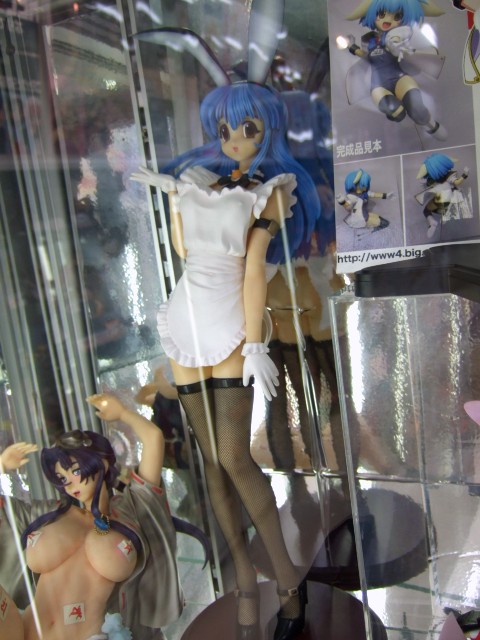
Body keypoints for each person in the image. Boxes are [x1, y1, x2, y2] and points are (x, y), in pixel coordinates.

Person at [131, 81, 320, 640]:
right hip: (185, 315)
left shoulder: (272, 191)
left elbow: (255, 268)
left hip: (232, 320)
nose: (235, 139)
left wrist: (257, 344)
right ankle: (242, 576)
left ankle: (288, 582)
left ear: (268, 131)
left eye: (247, 128)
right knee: (210, 460)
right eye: (224, 129)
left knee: (235, 455)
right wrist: (174, 199)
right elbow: (185, 251)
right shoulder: (197, 184)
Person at [0, 393, 183, 640]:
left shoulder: (132, 508)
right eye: (63, 478)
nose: (70, 483)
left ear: (103, 464)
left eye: (76, 471)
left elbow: (153, 438)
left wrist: (123, 414)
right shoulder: (48, 514)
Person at [342, 0, 446, 138]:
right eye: (381, 14)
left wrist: (401, 50)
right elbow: (367, 57)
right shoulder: (370, 40)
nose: (387, 20)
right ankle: (407, 124)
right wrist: (352, 47)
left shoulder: (399, 36)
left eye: (397, 16)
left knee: (417, 110)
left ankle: (430, 125)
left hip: (400, 78)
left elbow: (407, 53)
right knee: (395, 110)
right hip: (379, 85)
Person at [415, 153, 470, 238]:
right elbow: (457, 182)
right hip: (447, 197)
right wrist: (465, 174)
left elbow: (457, 182)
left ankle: (433, 222)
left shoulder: (435, 178)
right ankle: (442, 217)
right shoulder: (445, 176)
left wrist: (465, 174)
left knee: (426, 211)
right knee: (438, 210)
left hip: (441, 197)